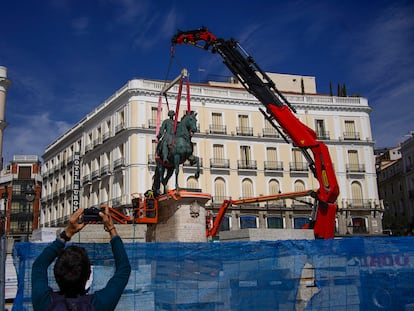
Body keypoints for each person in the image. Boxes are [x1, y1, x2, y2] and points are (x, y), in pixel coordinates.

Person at [31, 207, 131, 311]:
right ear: (88, 275)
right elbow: (123, 270)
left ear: (56, 274)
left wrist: (66, 234)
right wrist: (111, 228)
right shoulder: (98, 304)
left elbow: (39, 265)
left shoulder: (44, 303)